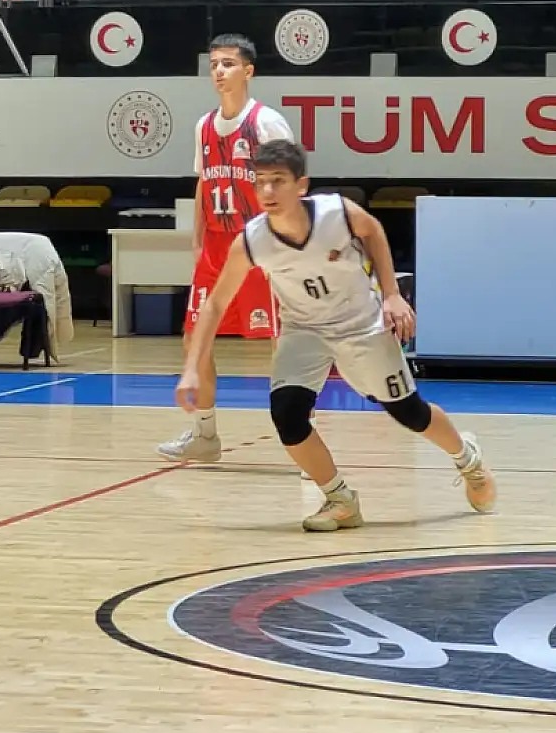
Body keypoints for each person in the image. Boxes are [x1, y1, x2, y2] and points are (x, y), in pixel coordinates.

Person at [173, 140, 497, 532]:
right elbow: (215, 306)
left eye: (278, 181)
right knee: (287, 415)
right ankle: (340, 499)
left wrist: (392, 294)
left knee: (409, 413)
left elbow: (374, 231)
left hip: (360, 324)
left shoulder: (337, 213)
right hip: (303, 329)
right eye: (261, 183)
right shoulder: (252, 241)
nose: (268, 192)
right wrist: (192, 368)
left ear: (301, 185)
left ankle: (468, 459)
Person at [158, 33, 294, 464]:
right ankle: (205, 435)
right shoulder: (203, 126)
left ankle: (301, 441)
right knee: (194, 341)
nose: (219, 70)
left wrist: (289, 245)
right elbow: (204, 182)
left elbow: (291, 186)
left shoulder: (266, 122)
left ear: (248, 70)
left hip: (260, 245)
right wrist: (198, 239)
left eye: (229, 63)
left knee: (285, 347)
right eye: (214, 63)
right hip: (217, 247)